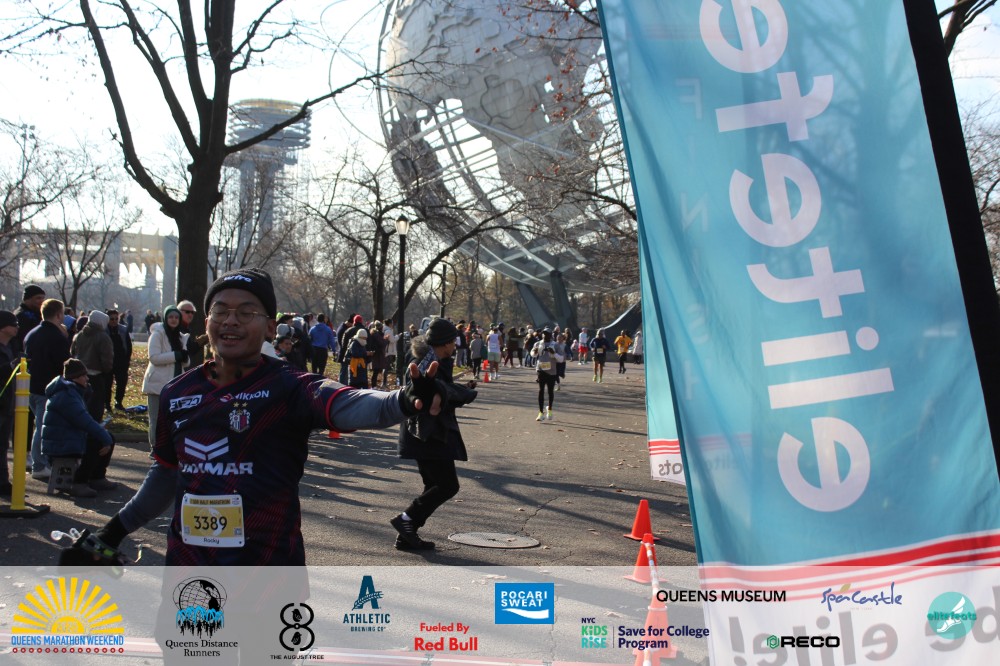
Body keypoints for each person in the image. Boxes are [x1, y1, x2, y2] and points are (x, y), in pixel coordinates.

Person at [63, 267, 445, 566]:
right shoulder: (177, 393)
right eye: (220, 311)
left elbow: (351, 403)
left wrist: (402, 400)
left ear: (269, 327)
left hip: (268, 574)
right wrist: (111, 533)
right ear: (207, 322)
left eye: (247, 312)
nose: (231, 321)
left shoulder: (289, 387)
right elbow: (165, 475)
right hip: (190, 574)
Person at [392, 317, 476, 550]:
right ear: (445, 342)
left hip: (427, 433)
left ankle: (406, 534)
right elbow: (432, 390)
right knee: (448, 485)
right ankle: (406, 519)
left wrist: (460, 390)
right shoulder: (426, 363)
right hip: (428, 434)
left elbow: (441, 388)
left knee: (433, 484)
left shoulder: (436, 360)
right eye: (453, 341)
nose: (455, 345)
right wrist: (462, 393)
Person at [40, 359, 116, 498]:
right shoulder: (66, 396)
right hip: (61, 444)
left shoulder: (72, 392)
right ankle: (78, 482)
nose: (87, 378)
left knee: (107, 437)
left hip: (66, 438)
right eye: (84, 375)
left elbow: (84, 420)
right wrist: (104, 438)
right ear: (75, 377)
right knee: (96, 442)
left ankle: (97, 477)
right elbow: (85, 421)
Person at [69, 310, 116, 490]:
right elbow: (107, 360)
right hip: (96, 376)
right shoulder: (102, 337)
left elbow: (72, 352)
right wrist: (106, 371)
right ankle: (94, 474)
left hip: (78, 375)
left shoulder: (79, 335)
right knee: (95, 417)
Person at [24, 298, 70, 480]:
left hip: (30, 386)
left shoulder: (32, 334)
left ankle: (39, 462)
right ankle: (40, 465)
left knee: (39, 424)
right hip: (47, 387)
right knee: (43, 427)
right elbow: (63, 364)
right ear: (58, 314)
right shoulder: (56, 337)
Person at [141, 306, 190, 449]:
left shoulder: (181, 337)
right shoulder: (157, 334)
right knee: (156, 418)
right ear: (165, 318)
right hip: (157, 384)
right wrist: (176, 355)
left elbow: (184, 362)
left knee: (173, 418)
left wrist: (185, 357)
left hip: (176, 383)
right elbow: (153, 358)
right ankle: (155, 448)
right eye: (170, 317)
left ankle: (169, 448)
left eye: (176, 317)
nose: (174, 320)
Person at [0, 310, 18, 497]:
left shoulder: (10, 347)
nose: (16, 328)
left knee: (3, 445)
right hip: (2, 403)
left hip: (8, 404)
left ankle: (3, 482)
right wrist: (11, 366)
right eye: (13, 324)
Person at [105, 309, 133, 411]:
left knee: (121, 382)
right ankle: (107, 404)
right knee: (107, 384)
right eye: (111, 319)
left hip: (121, 361)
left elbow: (128, 346)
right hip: (108, 361)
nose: (114, 321)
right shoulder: (104, 330)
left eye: (116, 319)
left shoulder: (123, 330)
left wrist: (127, 359)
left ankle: (118, 402)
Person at [531, 329, 558, 421]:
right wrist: (534, 351)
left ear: (550, 335)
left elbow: (560, 358)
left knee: (550, 391)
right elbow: (533, 354)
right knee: (541, 390)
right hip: (541, 369)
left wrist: (553, 353)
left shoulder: (555, 344)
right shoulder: (537, 344)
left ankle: (549, 409)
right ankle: (540, 413)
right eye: (543, 334)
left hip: (551, 370)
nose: (545, 336)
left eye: (547, 334)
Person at [14, 284, 45, 354]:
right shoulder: (21, 315)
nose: (42, 301)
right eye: (38, 298)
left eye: (43, 298)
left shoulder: (38, 313)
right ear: (27, 299)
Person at [177, 300, 205, 367]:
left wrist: (200, 342)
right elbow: (186, 351)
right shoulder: (176, 328)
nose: (190, 315)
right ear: (178, 312)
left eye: (192, 312)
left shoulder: (185, 328)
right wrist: (199, 343)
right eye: (187, 312)